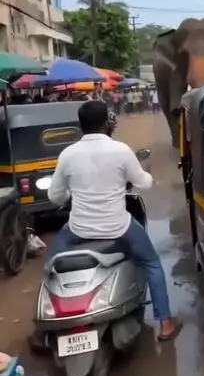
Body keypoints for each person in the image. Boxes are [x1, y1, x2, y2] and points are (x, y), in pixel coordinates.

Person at [45, 100, 180, 341]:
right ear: (106, 122)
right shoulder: (120, 150)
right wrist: (147, 175)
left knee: (52, 266)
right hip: (118, 227)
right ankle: (166, 322)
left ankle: (44, 328)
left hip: (78, 230)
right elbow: (143, 182)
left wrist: (69, 194)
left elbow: (55, 197)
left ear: (81, 125)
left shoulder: (68, 154)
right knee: (152, 263)